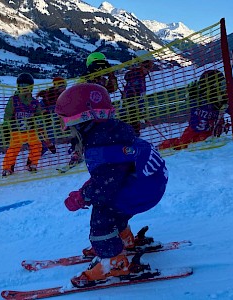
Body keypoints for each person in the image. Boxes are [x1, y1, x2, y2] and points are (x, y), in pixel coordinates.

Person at [55, 83, 168, 288]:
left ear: (82, 121)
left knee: (102, 215)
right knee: (114, 206)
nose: (68, 132)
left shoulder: (100, 146)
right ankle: (123, 240)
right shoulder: (111, 132)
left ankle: (113, 262)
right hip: (149, 184)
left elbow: (104, 187)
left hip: (142, 188)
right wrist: (86, 191)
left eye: (69, 126)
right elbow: (110, 175)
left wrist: (82, 197)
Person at [67, 52, 118, 167]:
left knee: (105, 129)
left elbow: (113, 88)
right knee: (80, 131)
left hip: (101, 110)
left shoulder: (103, 80)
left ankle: (106, 149)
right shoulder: (85, 78)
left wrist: (111, 76)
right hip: (86, 111)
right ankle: (77, 152)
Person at [158, 70, 229, 150]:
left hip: (209, 133)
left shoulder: (221, 99)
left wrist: (226, 103)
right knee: (180, 145)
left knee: (200, 146)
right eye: (219, 85)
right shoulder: (198, 97)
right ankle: (160, 148)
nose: (221, 88)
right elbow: (189, 99)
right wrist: (193, 93)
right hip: (192, 131)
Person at [2, 73, 43, 176]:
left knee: (37, 145)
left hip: (30, 130)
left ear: (31, 87)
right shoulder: (13, 100)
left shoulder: (34, 102)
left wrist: (36, 121)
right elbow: (7, 115)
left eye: (26, 86)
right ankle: (8, 167)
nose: (24, 88)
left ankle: (32, 163)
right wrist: (6, 129)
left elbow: (39, 116)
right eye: (21, 86)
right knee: (13, 149)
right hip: (17, 130)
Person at [121, 53, 154, 136]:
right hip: (130, 116)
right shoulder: (136, 78)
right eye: (148, 66)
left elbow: (138, 98)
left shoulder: (140, 77)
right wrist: (139, 114)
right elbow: (130, 100)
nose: (149, 69)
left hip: (133, 114)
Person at [36, 77, 67, 155]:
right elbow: (40, 106)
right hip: (50, 117)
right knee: (49, 128)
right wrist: (45, 112)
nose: (62, 88)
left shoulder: (66, 94)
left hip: (62, 117)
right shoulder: (50, 94)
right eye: (60, 86)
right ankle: (46, 147)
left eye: (64, 86)